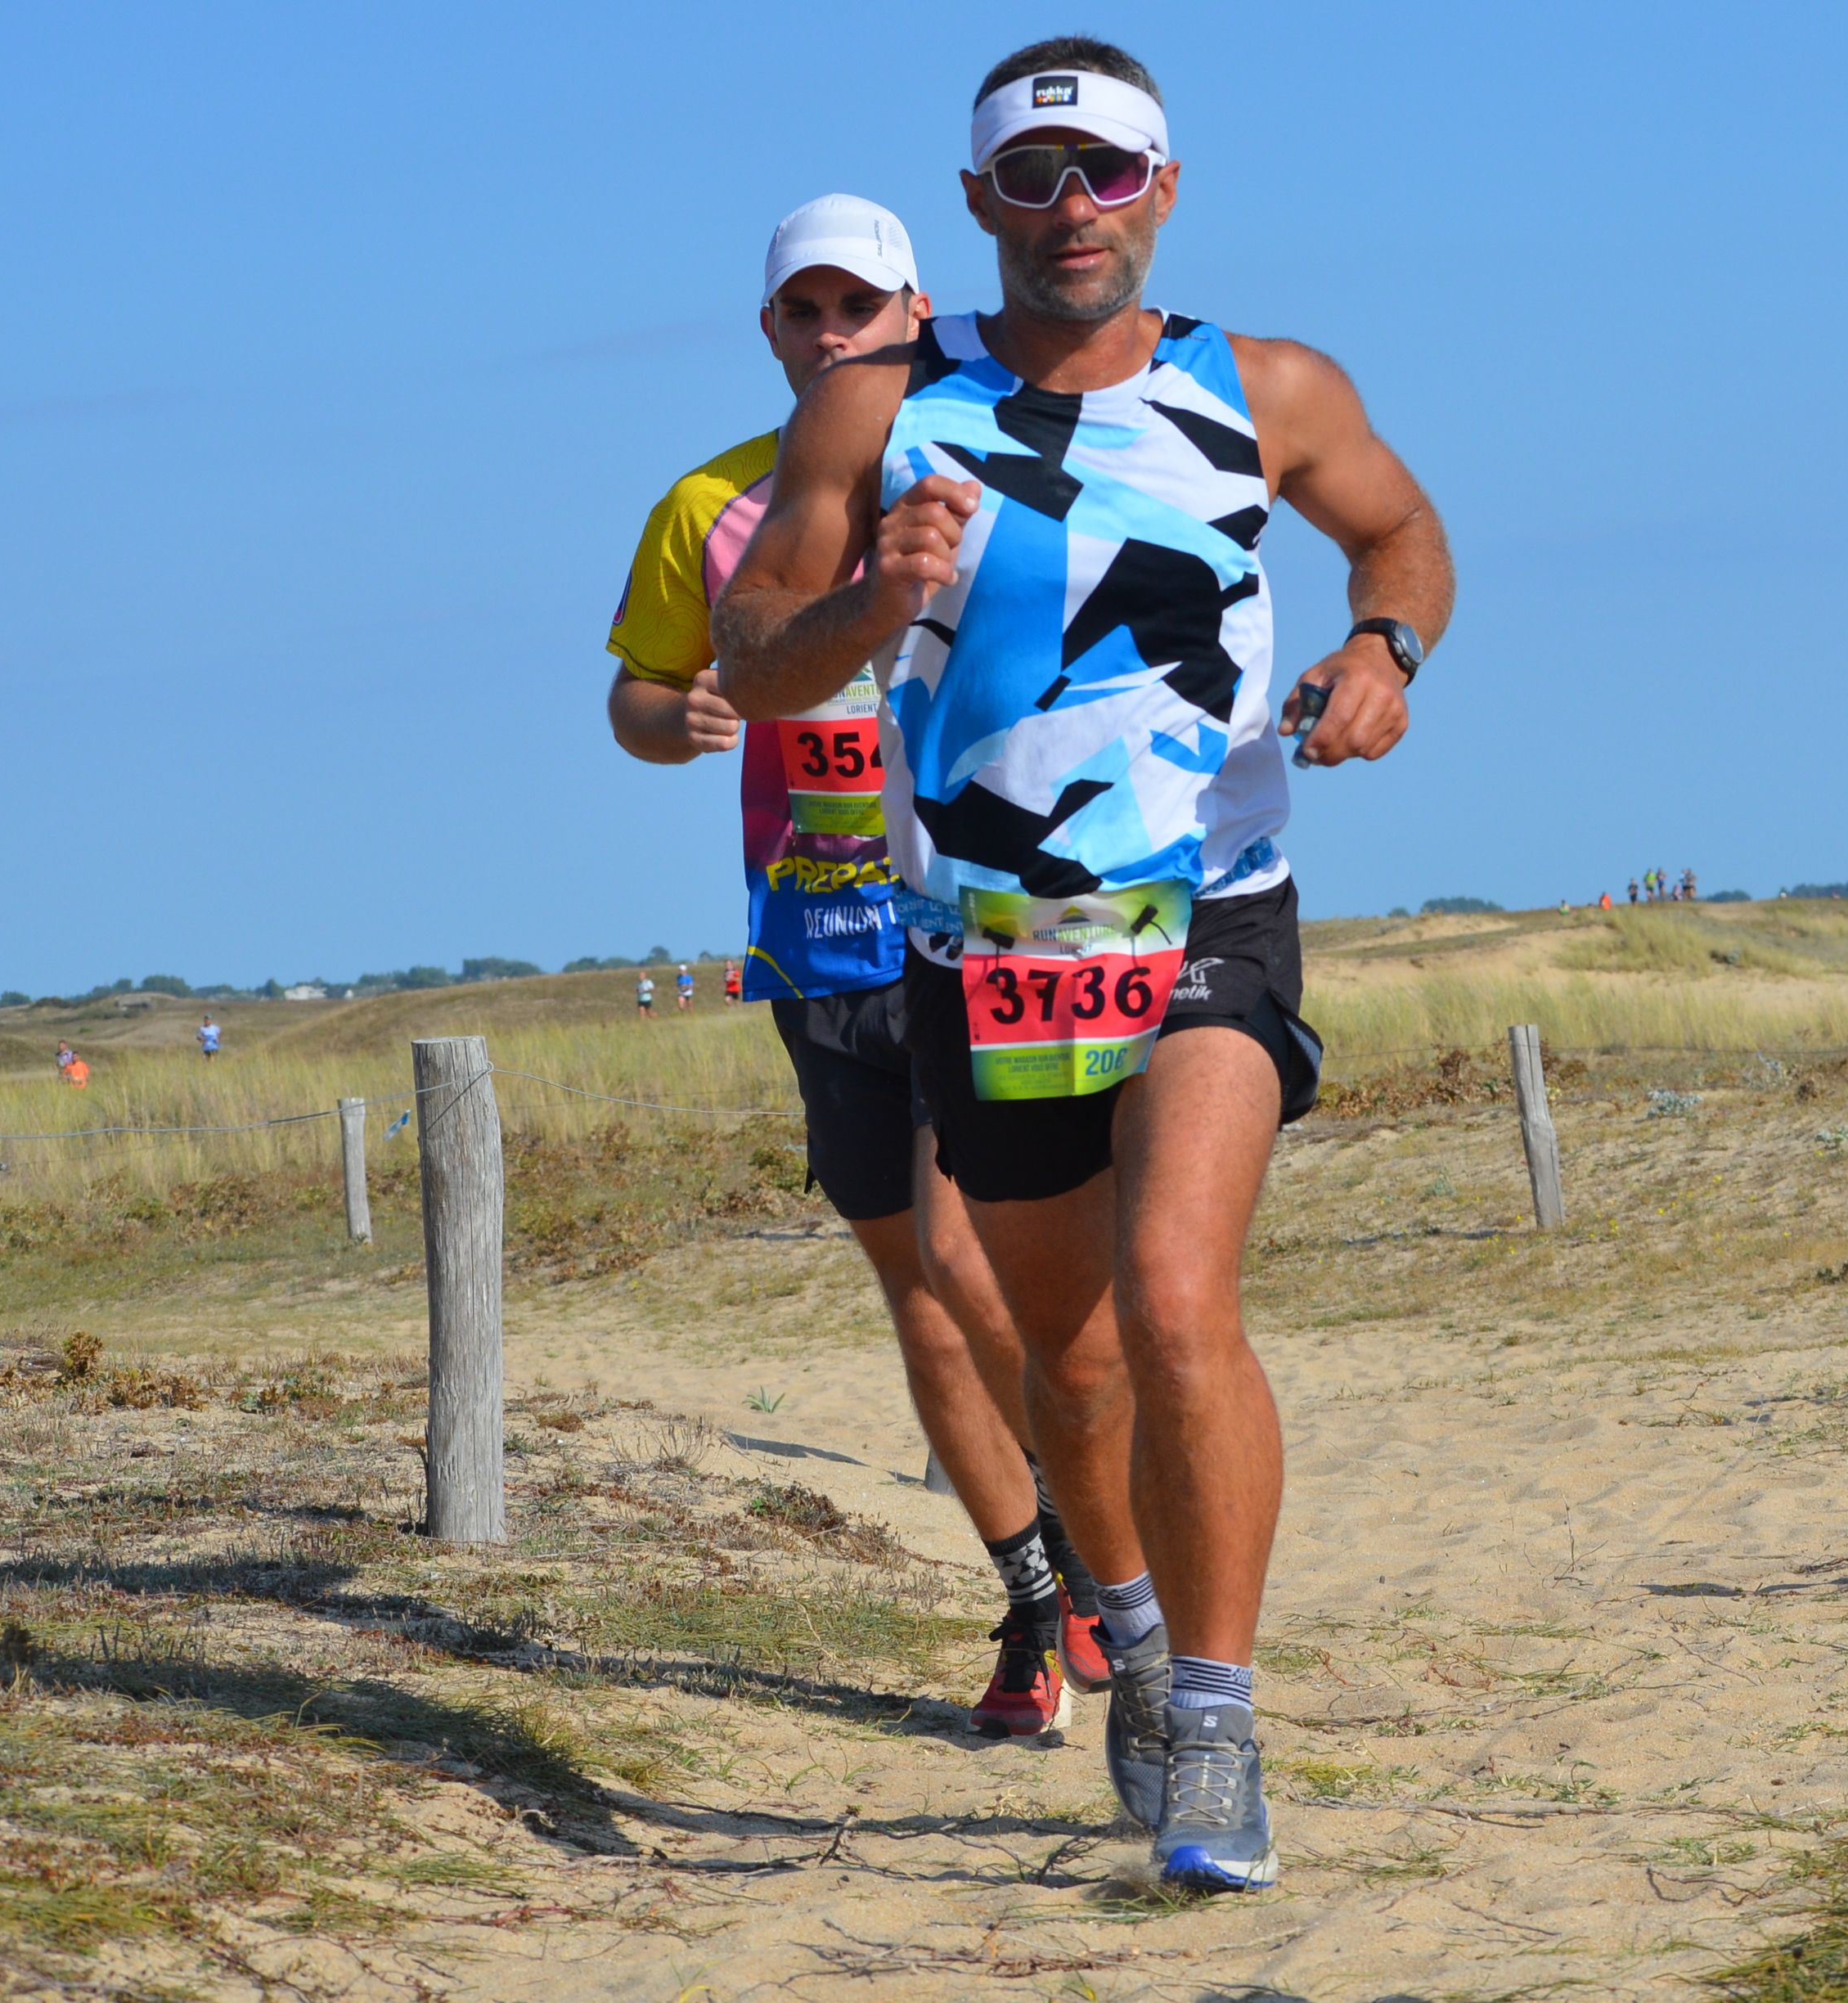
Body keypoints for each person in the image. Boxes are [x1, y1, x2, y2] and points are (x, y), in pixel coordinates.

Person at [712, 35, 1453, 1894]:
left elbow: (1401, 535)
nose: (1072, 210)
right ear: (979, 203)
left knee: (1180, 1302)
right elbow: (759, 658)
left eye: (1106, 172)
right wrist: (877, 597)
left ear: (1164, 190)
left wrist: (1383, 654)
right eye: (1032, 180)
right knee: (1076, 1350)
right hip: (989, 942)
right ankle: (1126, 1628)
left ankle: (1216, 1718)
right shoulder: (878, 405)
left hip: (1209, 911)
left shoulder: (1265, 388)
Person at [605, 193, 1102, 1735]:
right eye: (805, 312)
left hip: (981, 924)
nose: (833, 336)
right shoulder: (708, 504)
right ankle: (1035, 1599)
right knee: (919, 1292)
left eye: (861, 309)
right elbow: (636, 695)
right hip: (815, 945)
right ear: (770, 331)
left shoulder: (997, 460)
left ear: (915, 312)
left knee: (974, 1262)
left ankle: (1098, 1548)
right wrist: (681, 719)